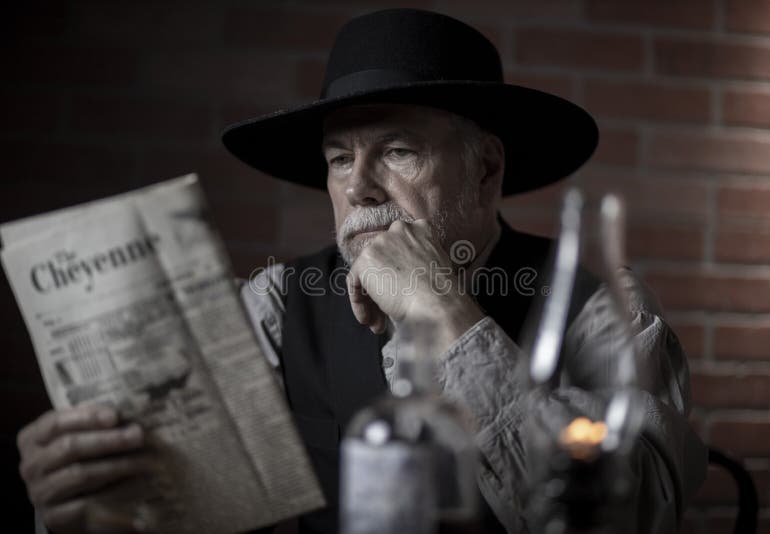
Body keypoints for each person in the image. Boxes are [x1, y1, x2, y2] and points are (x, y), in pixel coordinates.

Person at [16, 8, 706, 534]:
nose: (360, 188)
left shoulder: (594, 311)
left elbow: (634, 514)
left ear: (486, 169)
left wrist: (442, 310)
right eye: (340, 159)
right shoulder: (275, 305)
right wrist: (88, 501)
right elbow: (187, 509)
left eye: (398, 151)